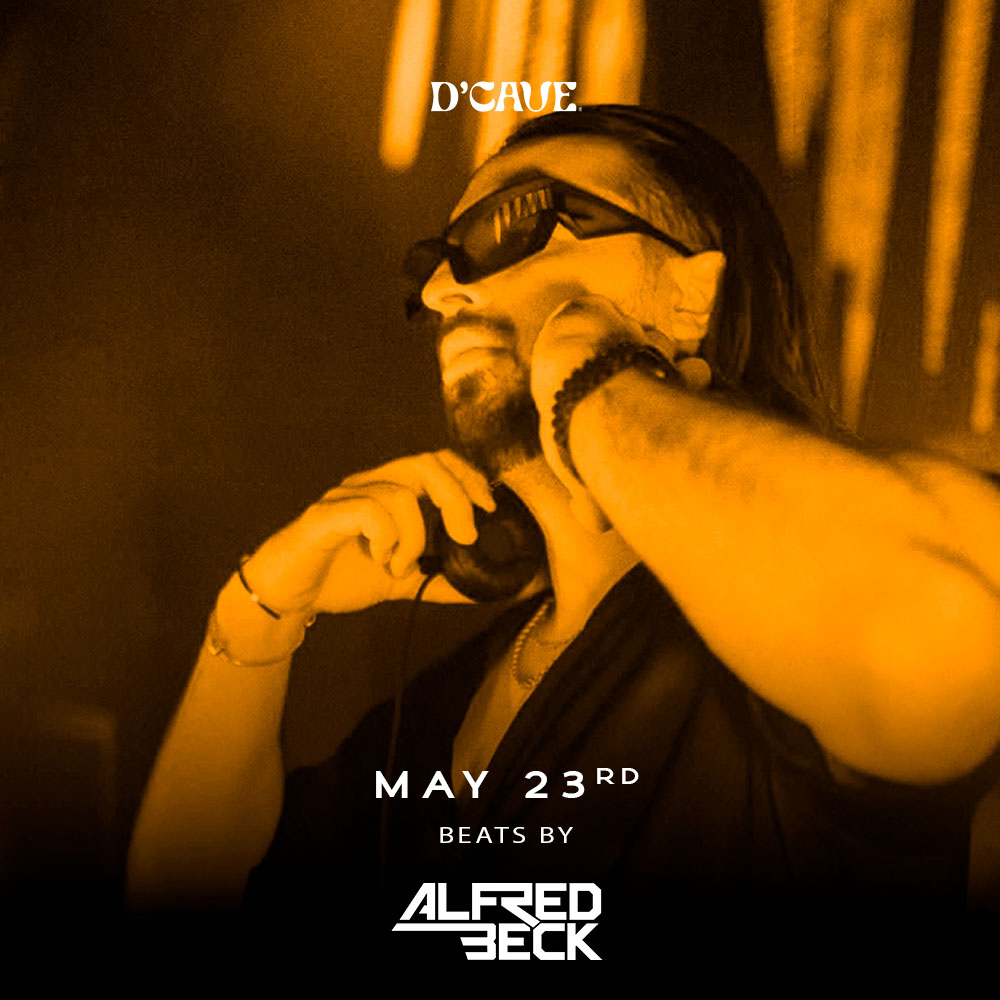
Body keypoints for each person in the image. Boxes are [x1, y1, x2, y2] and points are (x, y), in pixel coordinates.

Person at [126, 106, 1000, 957]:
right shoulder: (449, 696)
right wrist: (258, 617)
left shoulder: (779, 636)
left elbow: (953, 616)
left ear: (688, 295)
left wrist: (596, 381)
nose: (440, 290)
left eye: (509, 225)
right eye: (435, 261)